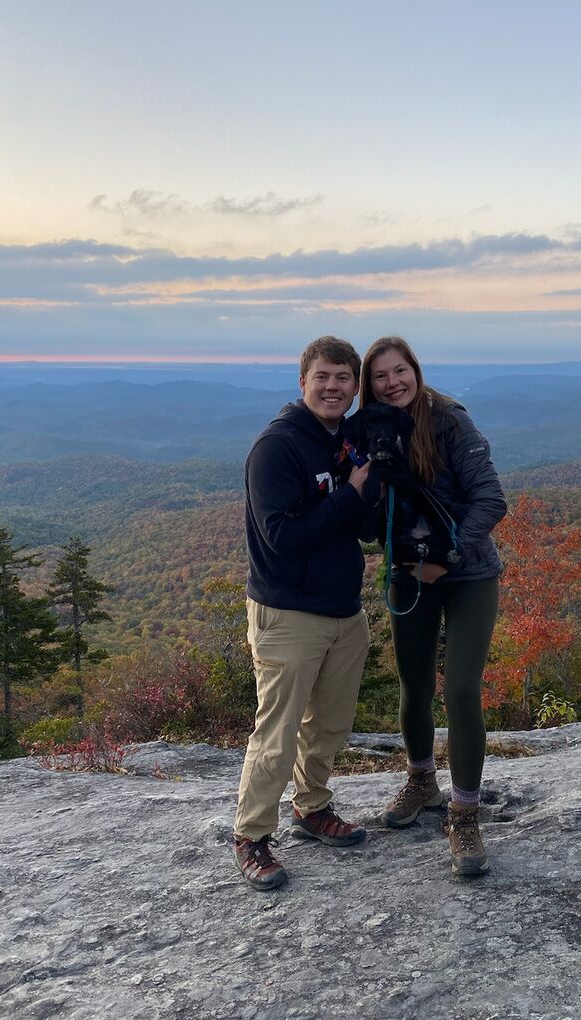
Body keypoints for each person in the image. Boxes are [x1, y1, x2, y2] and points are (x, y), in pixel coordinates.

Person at [359, 336, 507, 876]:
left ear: (416, 372)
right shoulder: (369, 432)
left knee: (462, 688)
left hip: (467, 574)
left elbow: (491, 498)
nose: (393, 382)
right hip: (408, 574)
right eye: (381, 375)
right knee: (413, 682)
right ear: (367, 385)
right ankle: (422, 781)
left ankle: (464, 815)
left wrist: (447, 556)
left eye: (401, 371)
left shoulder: (449, 420)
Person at [233, 336, 372, 891]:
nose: (333, 387)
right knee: (278, 731)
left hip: (344, 612)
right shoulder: (278, 448)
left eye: (343, 378)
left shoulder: (346, 445)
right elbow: (282, 537)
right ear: (303, 382)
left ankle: (311, 806)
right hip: (287, 613)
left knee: (331, 725)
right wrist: (348, 495)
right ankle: (250, 836)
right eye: (323, 377)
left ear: (355, 387)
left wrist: (370, 489)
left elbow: (360, 527)